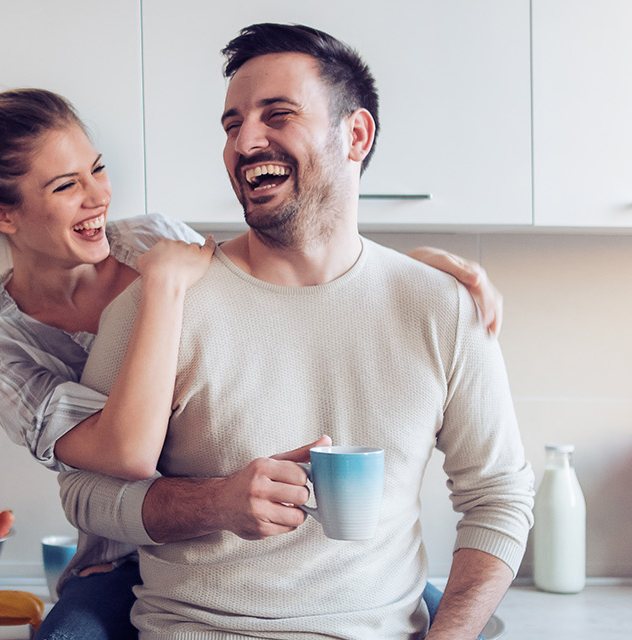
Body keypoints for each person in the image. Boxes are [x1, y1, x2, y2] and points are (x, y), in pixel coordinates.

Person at [0, 79, 503, 639]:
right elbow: (126, 454)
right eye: (66, 185)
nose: (98, 197)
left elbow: (277, 271)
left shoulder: (151, 239)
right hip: (120, 552)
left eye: (98, 169)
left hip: (249, 556)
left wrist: (405, 277)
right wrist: (161, 289)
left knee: (453, 619)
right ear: (2, 214)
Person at [57, 23, 534, 640]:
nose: (245, 141)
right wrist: (214, 503)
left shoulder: (442, 306)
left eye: (277, 115)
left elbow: (499, 497)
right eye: (232, 125)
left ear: (356, 135)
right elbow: (85, 495)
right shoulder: (160, 304)